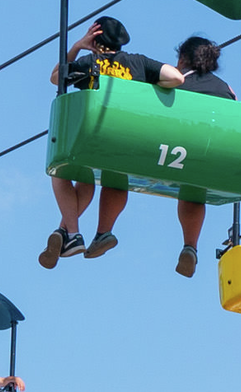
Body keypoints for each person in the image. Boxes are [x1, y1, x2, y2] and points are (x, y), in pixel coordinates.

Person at [42, 15, 162, 265]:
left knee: (61, 172)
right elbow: (175, 77)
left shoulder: (88, 62)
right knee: (95, 181)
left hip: (93, 137)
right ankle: (70, 233)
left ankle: (71, 233)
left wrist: (76, 46)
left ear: (95, 38)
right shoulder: (138, 62)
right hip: (128, 140)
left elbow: (55, 77)